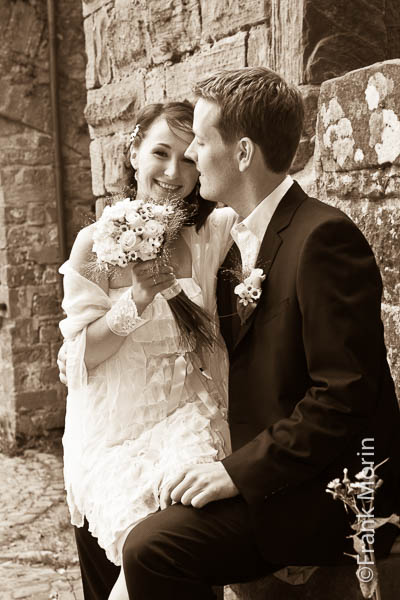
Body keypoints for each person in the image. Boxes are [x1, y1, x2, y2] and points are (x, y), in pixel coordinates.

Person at [116, 68, 400, 599]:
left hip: (327, 491)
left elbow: (343, 396)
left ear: (242, 153)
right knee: (136, 510)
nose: (192, 155)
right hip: (269, 470)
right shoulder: (237, 244)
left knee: (150, 548)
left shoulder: (323, 238)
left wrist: (235, 474)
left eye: (200, 140)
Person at [58, 101, 238, 600]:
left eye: (188, 159)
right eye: (160, 152)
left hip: (186, 428)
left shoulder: (208, 235)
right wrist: (136, 298)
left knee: (177, 558)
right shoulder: (94, 244)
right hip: (112, 438)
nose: (172, 171)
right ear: (133, 152)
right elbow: (79, 360)